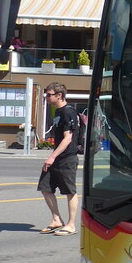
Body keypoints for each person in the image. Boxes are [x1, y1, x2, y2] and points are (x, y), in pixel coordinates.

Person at [38, 82, 80, 235]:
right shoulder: (57, 112)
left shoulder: (68, 112)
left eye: (49, 95)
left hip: (67, 157)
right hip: (56, 157)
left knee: (70, 191)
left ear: (59, 95)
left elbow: (68, 138)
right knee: (45, 187)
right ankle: (56, 219)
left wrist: (52, 156)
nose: (46, 97)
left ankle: (71, 224)